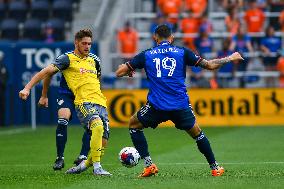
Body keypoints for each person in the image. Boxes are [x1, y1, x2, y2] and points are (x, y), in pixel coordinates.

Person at [115, 24, 244, 177]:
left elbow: (119, 72)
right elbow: (210, 65)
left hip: (157, 106)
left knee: (134, 124)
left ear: (155, 37)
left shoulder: (146, 54)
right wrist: (230, 58)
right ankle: (215, 167)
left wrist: (127, 69)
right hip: (180, 105)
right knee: (197, 134)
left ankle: (149, 165)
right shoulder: (183, 52)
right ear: (172, 38)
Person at [19, 29, 111, 176]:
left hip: (100, 102)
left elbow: (97, 80)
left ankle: (84, 165)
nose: (87, 46)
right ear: (76, 43)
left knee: (104, 140)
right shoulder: (67, 59)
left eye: (89, 44)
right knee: (97, 127)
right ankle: (95, 167)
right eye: (84, 43)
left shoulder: (94, 60)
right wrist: (27, 88)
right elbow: (46, 72)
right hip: (83, 102)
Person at [37, 75, 91, 170]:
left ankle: (83, 156)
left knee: (92, 124)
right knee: (63, 119)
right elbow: (49, 73)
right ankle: (59, 158)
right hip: (66, 94)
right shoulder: (65, 59)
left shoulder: (94, 60)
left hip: (85, 95)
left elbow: (97, 77)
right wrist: (44, 95)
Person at [0, 51, 8, 126]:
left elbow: (5, 77)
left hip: (1, 90)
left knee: (2, 106)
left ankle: (2, 123)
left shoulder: (3, 66)